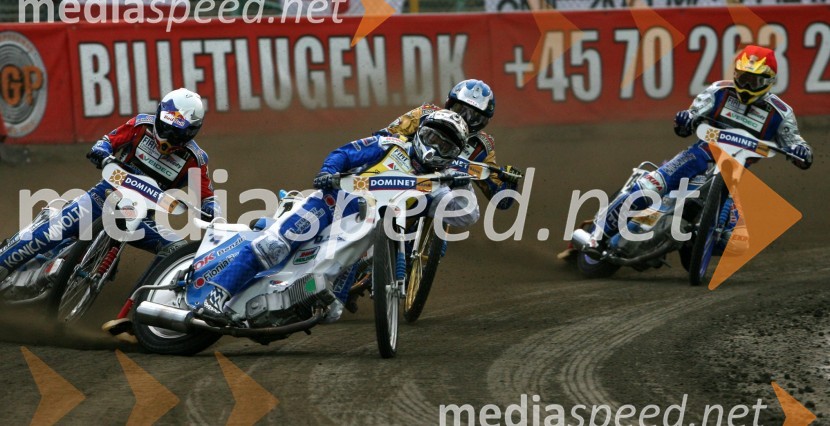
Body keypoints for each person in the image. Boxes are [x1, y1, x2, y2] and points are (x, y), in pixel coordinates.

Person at [193, 110, 479, 323]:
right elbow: (343, 153)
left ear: (454, 154)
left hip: (372, 234)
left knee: (332, 309)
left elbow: (467, 216)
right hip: (334, 203)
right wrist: (328, 172)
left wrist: (462, 185)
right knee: (273, 246)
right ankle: (215, 297)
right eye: (432, 138)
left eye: (445, 146)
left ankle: (293, 304)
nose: (434, 148)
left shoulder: (440, 183)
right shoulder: (390, 145)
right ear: (420, 133)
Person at [592, 45, 813, 250]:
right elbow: (689, 120)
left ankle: (692, 242)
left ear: (768, 81)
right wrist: (685, 119)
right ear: (735, 73)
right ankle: (596, 237)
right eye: (743, 78)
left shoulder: (781, 113)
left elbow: (796, 144)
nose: (746, 86)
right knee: (648, 187)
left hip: (732, 176)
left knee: (734, 243)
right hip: (698, 157)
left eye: (753, 82)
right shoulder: (718, 91)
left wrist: (801, 152)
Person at [0, 88, 219, 282]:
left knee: (177, 250)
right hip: (101, 197)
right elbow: (105, 142)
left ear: (191, 131)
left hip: (138, 219)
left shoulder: (195, 158)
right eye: (166, 124)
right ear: (160, 112)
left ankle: (141, 305)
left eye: (177, 131)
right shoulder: (141, 124)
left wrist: (213, 213)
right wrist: (102, 155)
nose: (169, 135)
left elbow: (208, 197)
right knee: (47, 234)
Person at [383, 79, 523, 210]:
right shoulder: (424, 113)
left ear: (484, 122)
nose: (464, 119)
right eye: (460, 110)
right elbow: (384, 136)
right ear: (449, 103)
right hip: (396, 173)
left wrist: (509, 181)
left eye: (474, 117)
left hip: (434, 195)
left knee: (449, 214)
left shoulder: (481, 147)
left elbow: (501, 201)